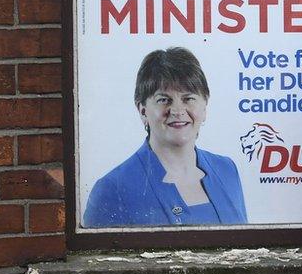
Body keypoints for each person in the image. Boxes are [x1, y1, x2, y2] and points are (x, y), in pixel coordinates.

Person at [83, 47, 247, 227]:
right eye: (163, 99)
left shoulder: (227, 170)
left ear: (204, 106)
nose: (177, 111)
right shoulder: (112, 190)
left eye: (188, 98)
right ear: (142, 110)